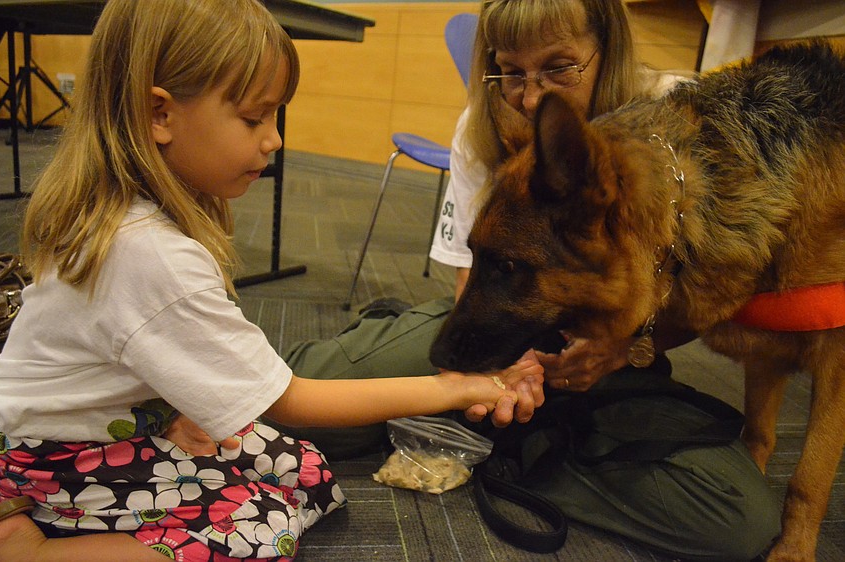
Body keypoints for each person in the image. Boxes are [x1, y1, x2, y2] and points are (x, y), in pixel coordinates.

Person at [0, 1, 546, 560]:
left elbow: (132, 349)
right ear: (159, 114)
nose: (274, 140)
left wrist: (180, 409)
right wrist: (459, 386)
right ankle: (25, 548)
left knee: (302, 471)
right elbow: (292, 400)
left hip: (110, 422)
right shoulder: (147, 253)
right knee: (261, 530)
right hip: (51, 457)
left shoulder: (136, 219)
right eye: (254, 119)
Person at [278, 1, 783, 560]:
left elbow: (709, 296)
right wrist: (505, 369)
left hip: (615, 354)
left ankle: (511, 446)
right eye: (511, 72)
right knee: (288, 411)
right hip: (501, 318)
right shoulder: (484, 126)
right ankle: (433, 372)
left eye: (560, 67)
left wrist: (621, 351)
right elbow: (475, 285)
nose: (533, 96)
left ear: (607, 50)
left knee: (740, 521)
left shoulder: (680, 122)